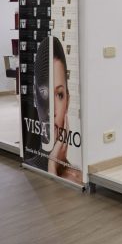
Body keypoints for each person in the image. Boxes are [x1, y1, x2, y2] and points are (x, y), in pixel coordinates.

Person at [32, 35, 82, 184]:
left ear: (68, 101)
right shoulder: (29, 169)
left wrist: (53, 165)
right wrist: (51, 165)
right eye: (44, 93)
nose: (52, 109)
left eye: (59, 94)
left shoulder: (79, 177)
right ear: (35, 97)